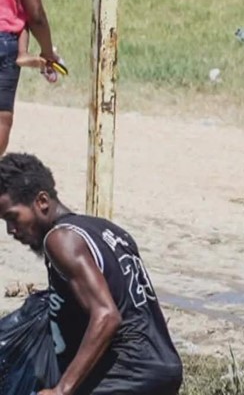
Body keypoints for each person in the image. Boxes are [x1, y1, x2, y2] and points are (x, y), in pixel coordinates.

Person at [0, 153, 182, 394]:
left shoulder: (60, 239)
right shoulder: (108, 230)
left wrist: (62, 390)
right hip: (163, 366)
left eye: (13, 217)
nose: (11, 230)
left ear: (42, 201)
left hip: (129, 373)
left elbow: (107, 315)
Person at [0, 0, 62, 155]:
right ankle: (25, 53)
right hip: (5, 43)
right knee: (2, 117)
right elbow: (36, 15)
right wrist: (47, 52)